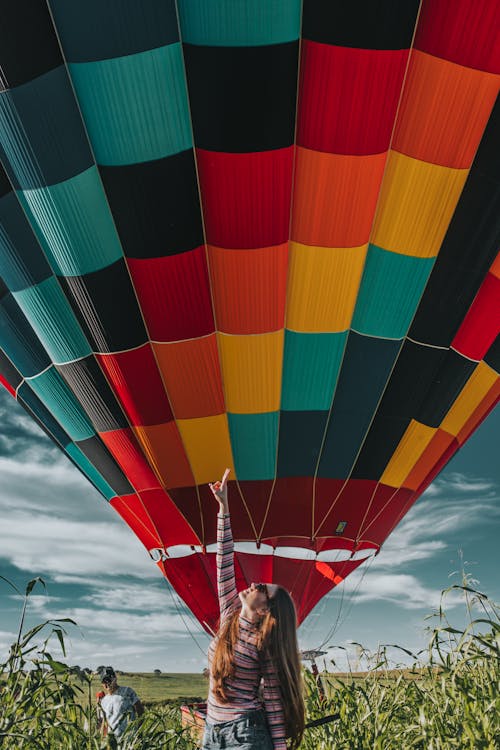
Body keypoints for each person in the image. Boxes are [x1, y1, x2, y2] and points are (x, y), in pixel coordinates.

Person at [203, 469, 305, 750]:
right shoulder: (229, 618)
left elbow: (272, 699)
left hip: (245, 733)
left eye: (263, 589)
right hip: (211, 731)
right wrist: (223, 507)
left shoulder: (265, 644)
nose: (255, 583)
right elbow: (224, 560)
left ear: (265, 611)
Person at [97, 666, 144, 745]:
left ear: (115, 678)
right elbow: (103, 724)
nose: (106, 684)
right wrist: (103, 741)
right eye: (104, 681)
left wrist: (139, 732)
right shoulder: (103, 701)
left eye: (108, 680)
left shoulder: (127, 691)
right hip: (112, 743)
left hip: (129, 741)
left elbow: (141, 711)